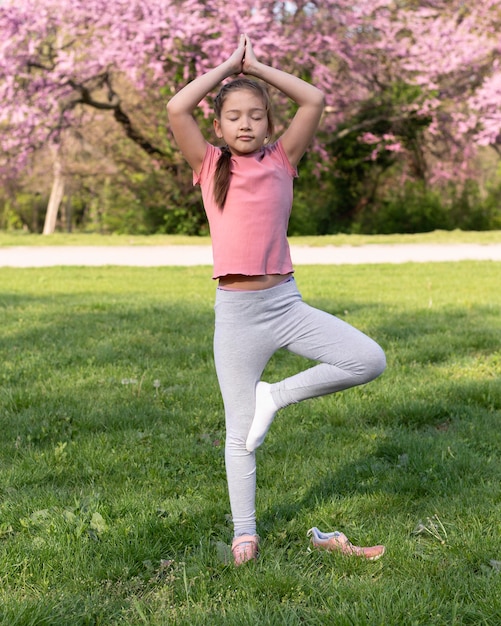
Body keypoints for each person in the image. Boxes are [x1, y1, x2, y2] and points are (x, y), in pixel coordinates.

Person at [167, 34, 386, 566]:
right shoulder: (210, 165)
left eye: (257, 116)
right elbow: (177, 107)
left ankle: (277, 396)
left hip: (285, 305)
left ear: (269, 123)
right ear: (217, 127)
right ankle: (246, 534)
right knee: (238, 434)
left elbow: (313, 100)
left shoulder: (283, 159)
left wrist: (258, 68)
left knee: (367, 359)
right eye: (234, 116)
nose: (246, 124)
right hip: (237, 315)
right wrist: (227, 69)